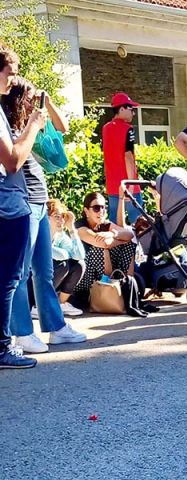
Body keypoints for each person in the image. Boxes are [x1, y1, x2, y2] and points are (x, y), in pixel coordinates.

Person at [1, 79, 86, 353]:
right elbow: (14, 161)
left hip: (40, 201)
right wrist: (31, 127)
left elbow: (63, 128)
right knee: (21, 272)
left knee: (44, 272)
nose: (31, 103)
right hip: (24, 203)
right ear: (16, 100)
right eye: (27, 98)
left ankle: (56, 327)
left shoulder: (31, 124)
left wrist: (46, 102)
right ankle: (22, 332)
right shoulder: (12, 128)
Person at [0, 43, 45, 368]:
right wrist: (34, 125)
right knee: (8, 279)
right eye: (9, 73)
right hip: (9, 206)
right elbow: (13, 160)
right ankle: (3, 347)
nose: (13, 81)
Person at [72, 192, 143, 316]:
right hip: (82, 279)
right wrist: (114, 240)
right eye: (96, 208)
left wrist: (113, 234)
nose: (101, 211)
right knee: (99, 249)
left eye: (104, 207)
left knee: (129, 244)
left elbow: (129, 235)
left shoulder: (106, 225)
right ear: (86, 211)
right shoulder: (80, 227)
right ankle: (109, 288)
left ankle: (128, 286)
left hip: (101, 270)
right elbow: (103, 244)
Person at [102, 92, 142, 224]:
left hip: (112, 185)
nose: (133, 113)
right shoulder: (127, 129)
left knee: (114, 222)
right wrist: (131, 184)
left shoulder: (106, 128)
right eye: (131, 109)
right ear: (122, 109)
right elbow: (128, 157)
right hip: (127, 184)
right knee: (139, 223)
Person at [46, 200, 85, 316]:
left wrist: (72, 229)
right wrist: (66, 254)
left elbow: (80, 255)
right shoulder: (38, 234)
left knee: (79, 265)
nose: (61, 221)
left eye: (63, 217)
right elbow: (62, 256)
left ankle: (60, 303)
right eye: (56, 217)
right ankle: (38, 305)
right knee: (62, 264)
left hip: (48, 280)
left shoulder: (60, 236)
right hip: (31, 284)